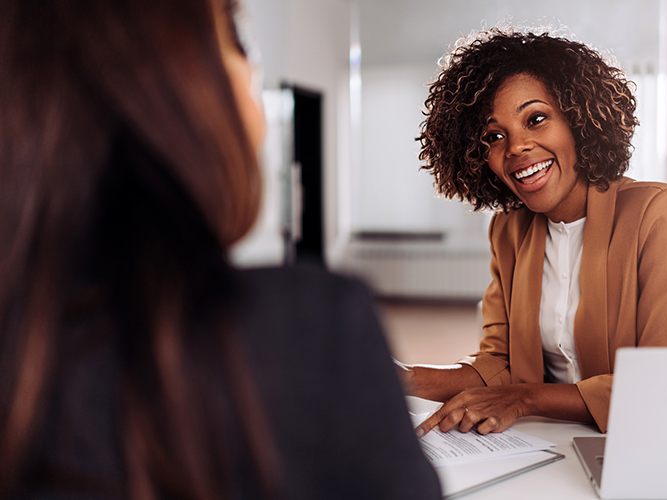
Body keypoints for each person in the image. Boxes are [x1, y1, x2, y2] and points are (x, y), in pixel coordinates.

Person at [0, 1, 441, 498]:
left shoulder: (26, 353)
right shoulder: (317, 335)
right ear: (178, 84)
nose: (254, 73)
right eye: (237, 38)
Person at [401, 26, 667, 437]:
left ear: (578, 120)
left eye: (536, 119)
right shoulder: (508, 230)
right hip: (550, 444)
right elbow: (499, 365)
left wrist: (526, 398)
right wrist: (404, 377)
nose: (516, 147)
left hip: (648, 443)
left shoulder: (662, 214)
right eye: (495, 136)